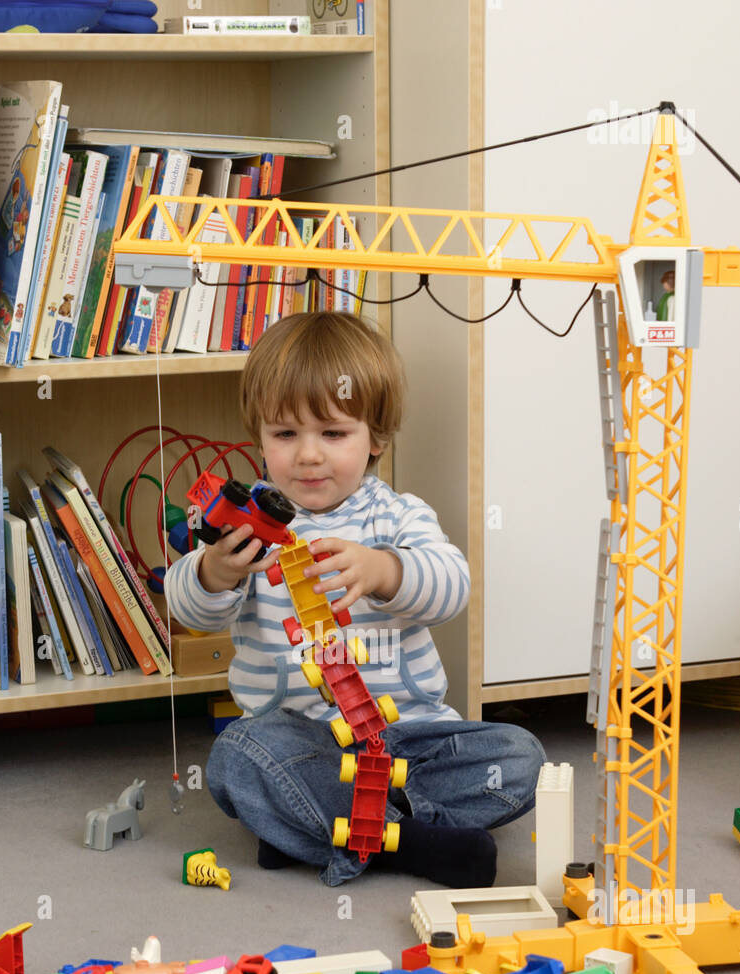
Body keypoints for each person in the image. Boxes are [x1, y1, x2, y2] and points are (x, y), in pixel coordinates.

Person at [165, 312, 545, 888]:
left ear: (377, 438)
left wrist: (385, 569)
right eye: (285, 434)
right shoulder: (249, 528)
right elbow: (187, 608)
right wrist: (215, 571)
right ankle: (412, 841)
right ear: (260, 439)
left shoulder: (397, 515)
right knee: (238, 753)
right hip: (303, 738)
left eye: (333, 434)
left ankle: (320, 826)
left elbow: (451, 586)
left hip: (410, 740)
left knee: (522, 757)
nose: (308, 455)